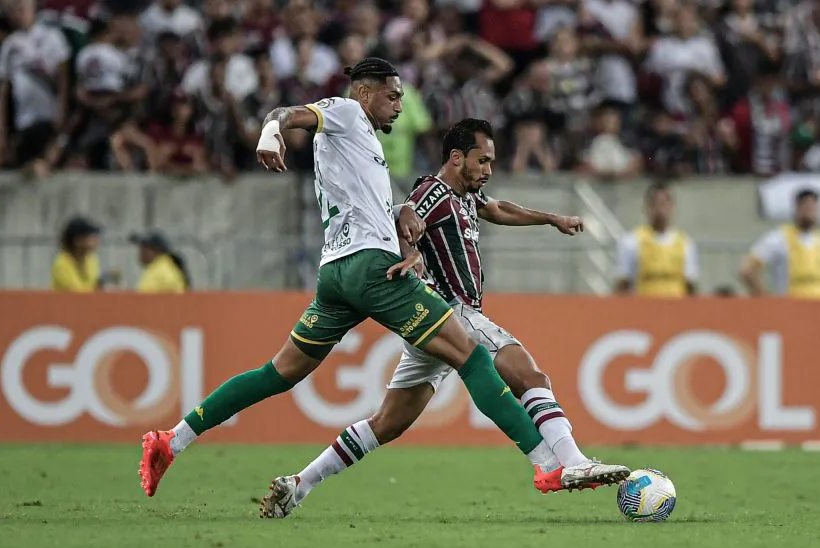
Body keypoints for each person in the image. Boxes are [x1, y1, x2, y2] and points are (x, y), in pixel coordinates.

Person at [138, 58, 626, 504]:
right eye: (392, 95)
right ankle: (549, 465)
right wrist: (272, 130)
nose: (399, 104)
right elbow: (290, 112)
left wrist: (404, 223)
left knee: (282, 373)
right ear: (365, 92)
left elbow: (382, 208)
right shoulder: (348, 114)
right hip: (371, 269)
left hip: (336, 275)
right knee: (472, 355)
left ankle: (173, 440)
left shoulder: (365, 145)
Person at [259, 118, 630, 518]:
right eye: (482, 161)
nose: (488, 170)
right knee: (531, 376)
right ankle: (571, 460)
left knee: (388, 423)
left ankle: (299, 485)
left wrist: (550, 218)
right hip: (453, 311)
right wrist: (409, 252)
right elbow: (400, 217)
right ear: (457, 158)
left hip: (433, 328)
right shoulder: (433, 192)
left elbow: (499, 208)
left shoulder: (467, 196)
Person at [739, 189, 820, 298]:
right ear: (797, 208)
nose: (810, 211)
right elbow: (747, 269)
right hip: (791, 306)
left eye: (813, 207)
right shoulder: (779, 238)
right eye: (806, 206)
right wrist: (763, 297)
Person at [614, 182, 699, 297]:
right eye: (655, 204)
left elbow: (691, 286)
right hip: (644, 309)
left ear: (672, 207)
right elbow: (622, 284)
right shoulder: (632, 241)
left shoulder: (685, 243)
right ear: (647, 208)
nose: (660, 210)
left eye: (664, 204)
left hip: (677, 310)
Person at [51, 216, 113, 292]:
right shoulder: (62, 263)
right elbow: (77, 293)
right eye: (90, 237)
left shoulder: (91, 259)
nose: (96, 240)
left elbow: (93, 284)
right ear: (77, 241)